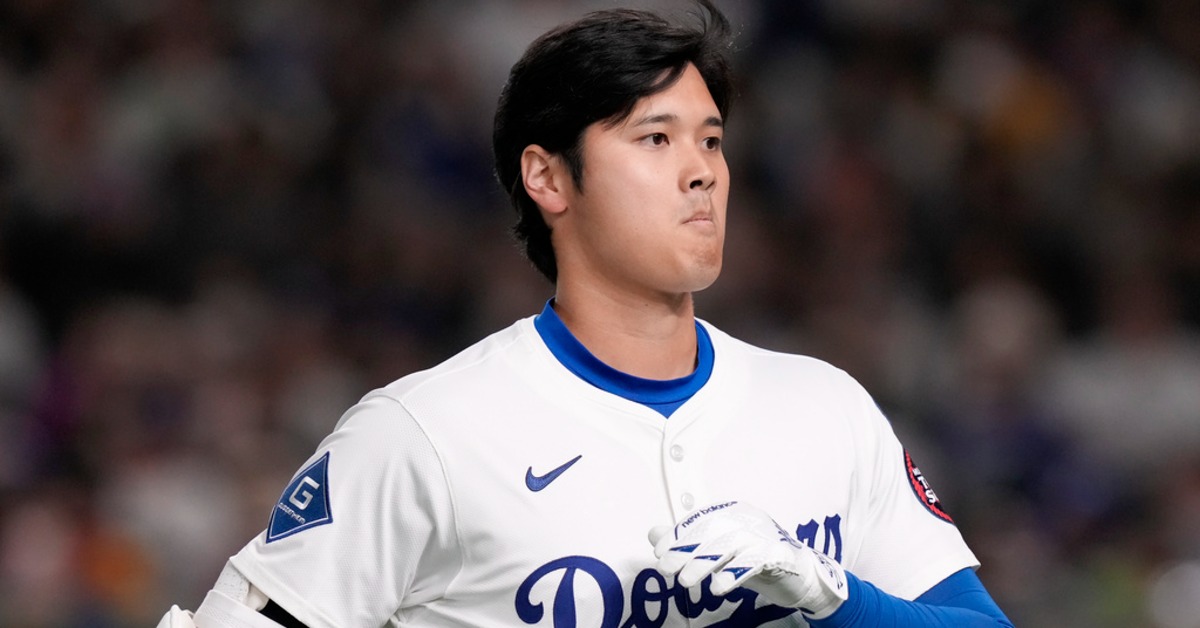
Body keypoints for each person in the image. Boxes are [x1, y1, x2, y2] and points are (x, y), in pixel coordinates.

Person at [158, 1, 1013, 626]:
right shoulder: (421, 436)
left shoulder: (825, 407)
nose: (702, 171)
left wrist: (834, 596)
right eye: (656, 138)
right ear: (548, 177)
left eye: (712, 140)